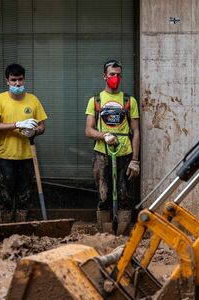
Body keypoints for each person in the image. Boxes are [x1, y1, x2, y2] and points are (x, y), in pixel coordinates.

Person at [85, 59, 140, 234]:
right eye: (111, 75)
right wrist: (104, 135)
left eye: (118, 75)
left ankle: (122, 231)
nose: (115, 78)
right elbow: (88, 130)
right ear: (104, 76)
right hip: (102, 153)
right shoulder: (96, 100)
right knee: (104, 195)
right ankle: (105, 232)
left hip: (124, 153)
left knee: (124, 195)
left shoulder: (129, 100)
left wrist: (135, 160)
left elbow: (136, 131)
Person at [0, 63, 47, 223]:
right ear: (7, 80)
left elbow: (42, 126)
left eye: (20, 80)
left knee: (24, 197)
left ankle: (21, 229)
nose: (17, 84)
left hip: (27, 156)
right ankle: (6, 228)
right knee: (5, 197)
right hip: (4, 157)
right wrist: (18, 124)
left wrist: (35, 131)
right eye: (13, 80)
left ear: (24, 79)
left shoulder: (33, 100)